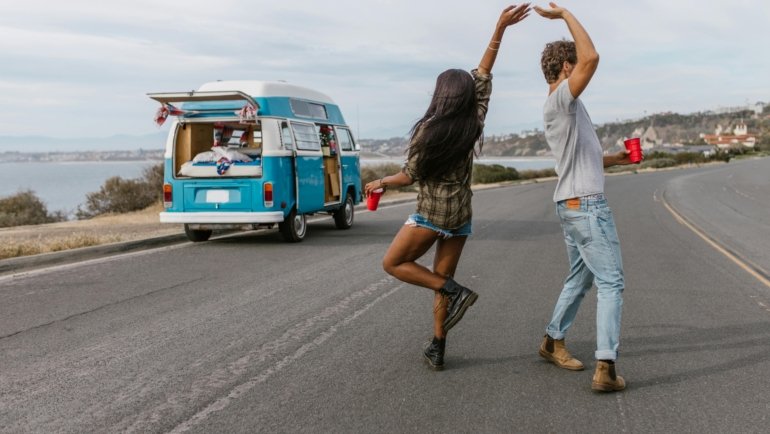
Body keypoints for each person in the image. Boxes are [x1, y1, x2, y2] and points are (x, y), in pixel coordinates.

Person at [364, 4, 531, 371]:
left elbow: (409, 176)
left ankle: (455, 293)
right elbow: (484, 74)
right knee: (441, 277)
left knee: (393, 263)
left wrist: (380, 181)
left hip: (431, 214)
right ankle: (438, 347)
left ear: (441, 95)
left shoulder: (428, 130)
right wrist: (499, 28)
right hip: (462, 214)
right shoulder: (474, 121)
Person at [533, 2, 638, 392]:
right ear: (565, 68)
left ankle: (551, 340)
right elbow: (591, 57)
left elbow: (584, 158)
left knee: (581, 277)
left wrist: (618, 157)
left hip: (573, 205)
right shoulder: (562, 97)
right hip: (587, 207)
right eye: (573, 64)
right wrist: (564, 15)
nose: (580, 68)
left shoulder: (568, 108)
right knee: (612, 282)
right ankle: (606, 368)